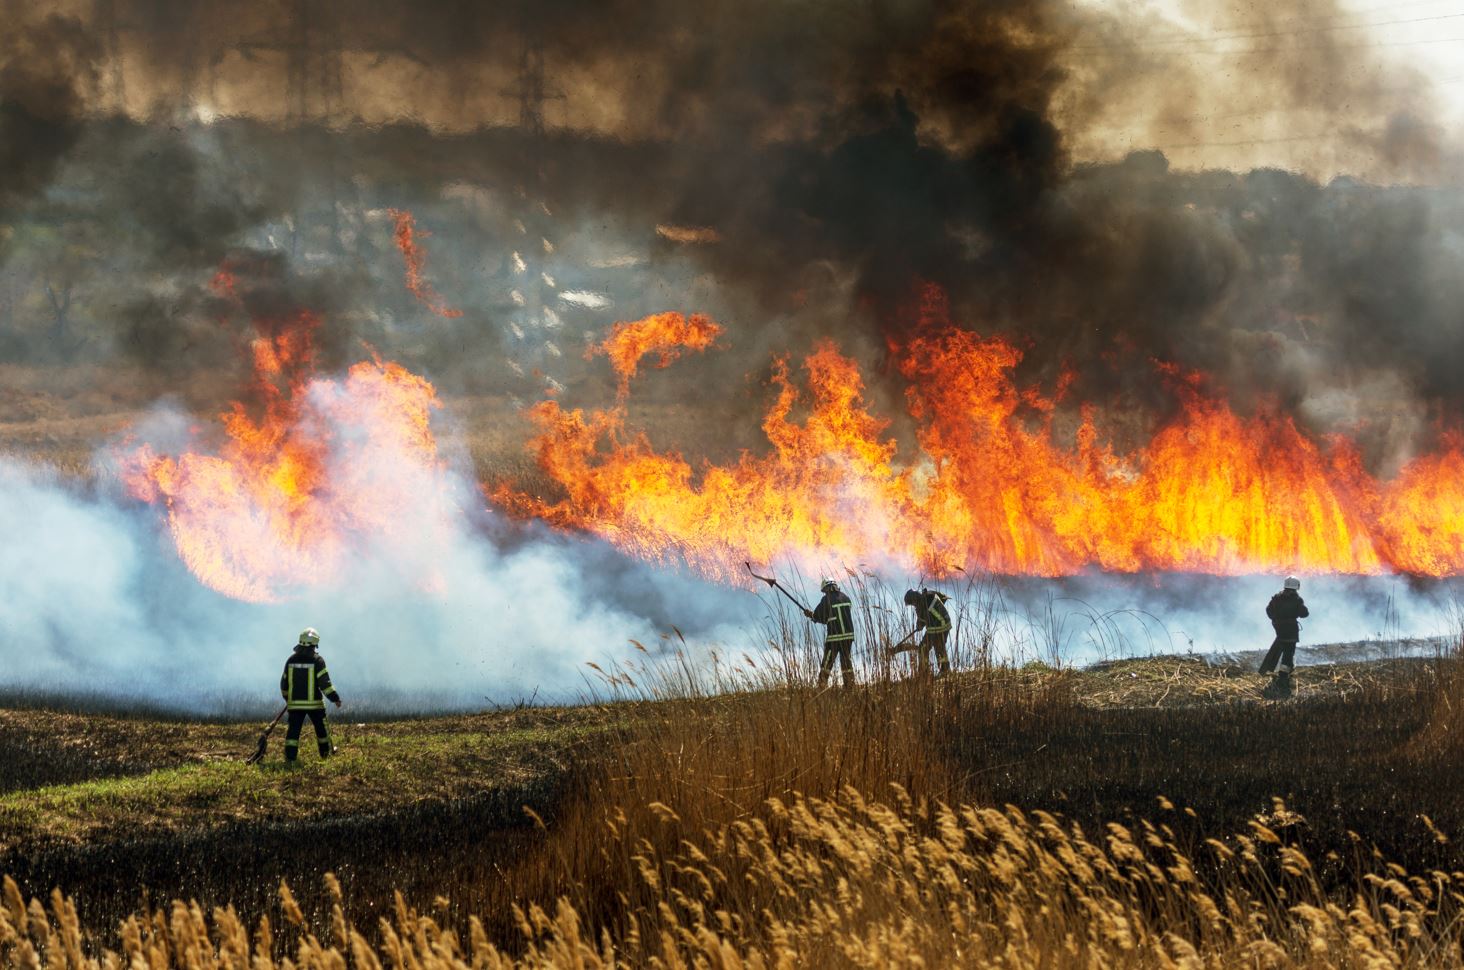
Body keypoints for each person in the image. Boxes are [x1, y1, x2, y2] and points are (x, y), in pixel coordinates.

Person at [280, 627, 342, 763]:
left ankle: (290, 758)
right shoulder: (318, 661)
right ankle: (326, 755)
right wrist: (335, 698)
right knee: (322, 731)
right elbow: (325, 684)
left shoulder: (290, 660)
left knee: (293, 733)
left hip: (295, 704)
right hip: (315, 705)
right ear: (314, 645)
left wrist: (287, 698)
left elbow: (284, 683)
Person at [805, 577, 855, 688]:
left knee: (827, 662)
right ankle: (849, 685)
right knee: (846, 661)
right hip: (848, 636)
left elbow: (819, 616)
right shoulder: (846, 598)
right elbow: (831, 617)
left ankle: (822, 685)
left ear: (826, 589)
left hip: (834, 637)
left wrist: (811, 615)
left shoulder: (826, 599)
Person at [1258, 577, 1309, 678]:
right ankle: (1284, 673)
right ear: (1296, 586)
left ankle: (1266, 669)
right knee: (1289, 650)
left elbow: (1268, 610)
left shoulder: (1277, 597)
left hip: (1279, 627)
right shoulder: (1296, 599)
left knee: (1279, 643)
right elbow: (1304, 613)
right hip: (1291, 628)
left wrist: (1275, 619)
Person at [900, 587, 953, 677]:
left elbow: (921, 622)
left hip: (937, 627)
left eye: (912, 603)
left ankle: (924, 673)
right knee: (939, 647)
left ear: (914, 600)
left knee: (923, 648)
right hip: (945, 624)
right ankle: (945, 670)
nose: (913, 605)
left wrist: (919, 626)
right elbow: (942, 598)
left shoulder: (922, 604)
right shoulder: (929, 595)